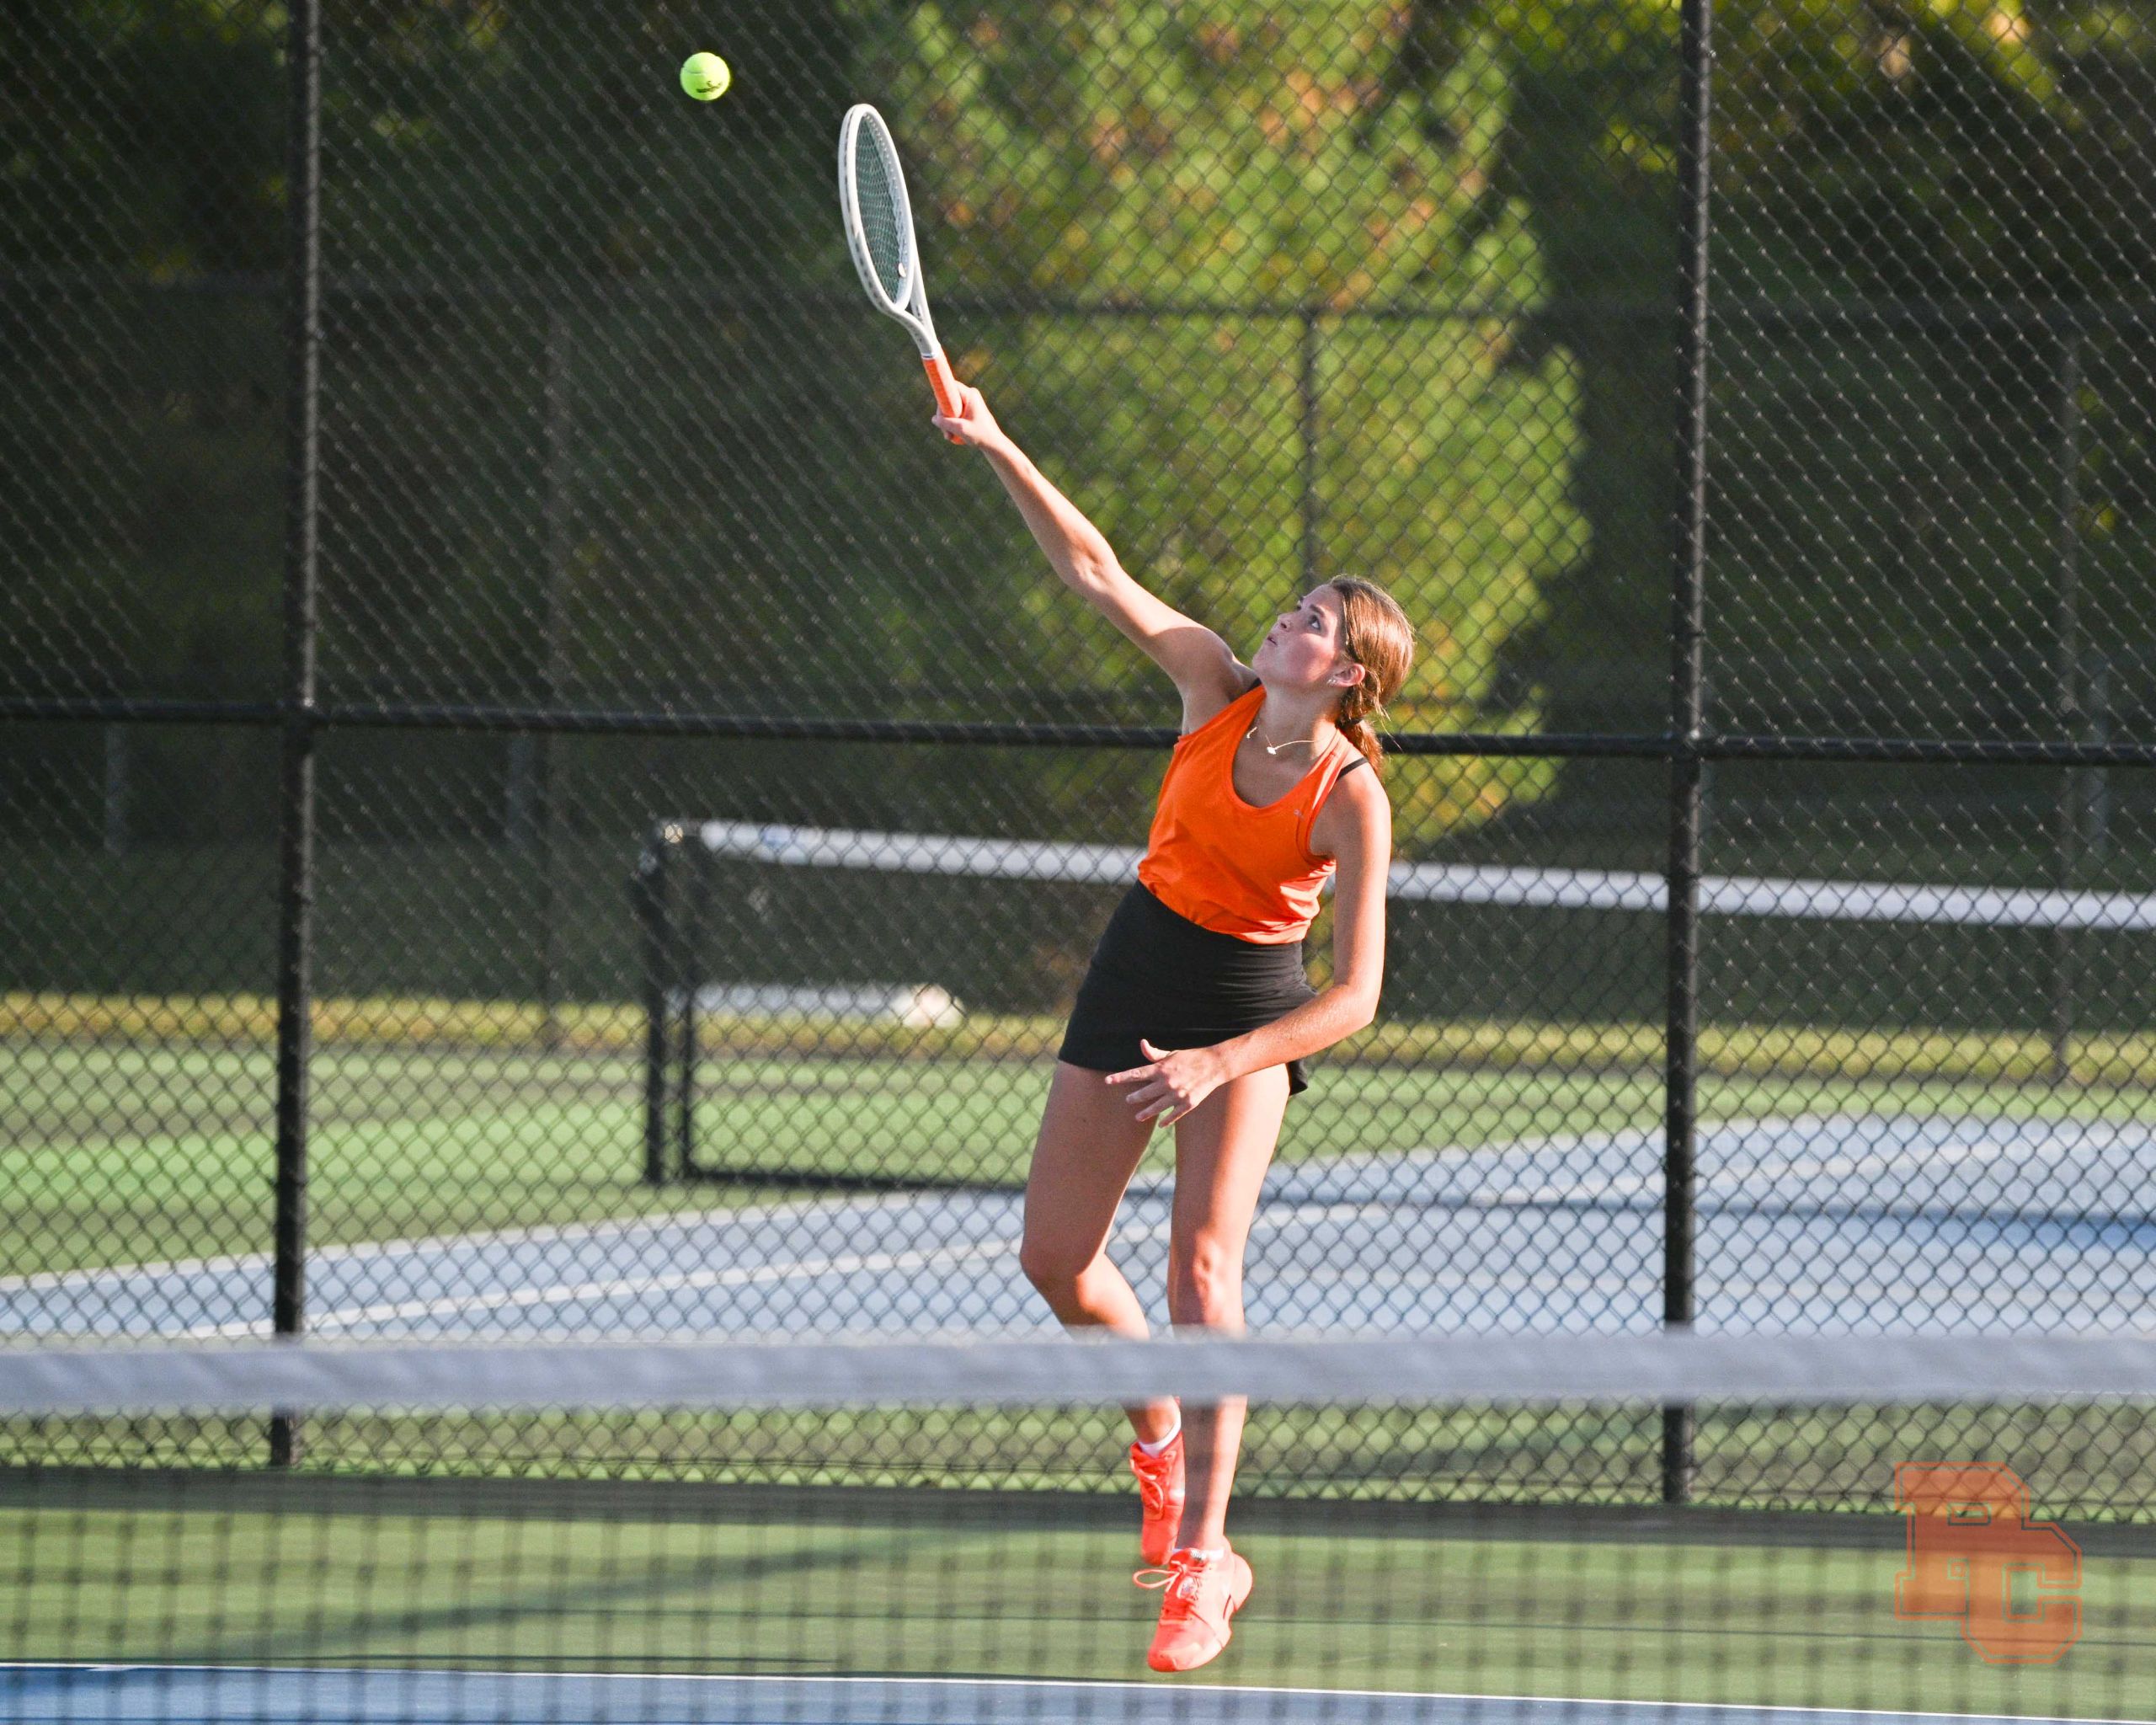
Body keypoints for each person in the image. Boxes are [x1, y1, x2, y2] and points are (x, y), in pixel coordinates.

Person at [934, 382, 1414, 1673]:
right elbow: (1095, 571)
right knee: (1055, 1259)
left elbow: (1356, 995)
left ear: (1349, 674)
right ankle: (1159, 1439)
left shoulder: (1351, 798)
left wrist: (1221, 1063)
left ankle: (1206, 1559)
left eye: (1313, 620)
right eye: (1294, 606)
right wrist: (998, 442)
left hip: (1245, 1008)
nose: (1286, 618)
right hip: (1138, 969)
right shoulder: (1211, 683)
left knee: (1204, 1271)